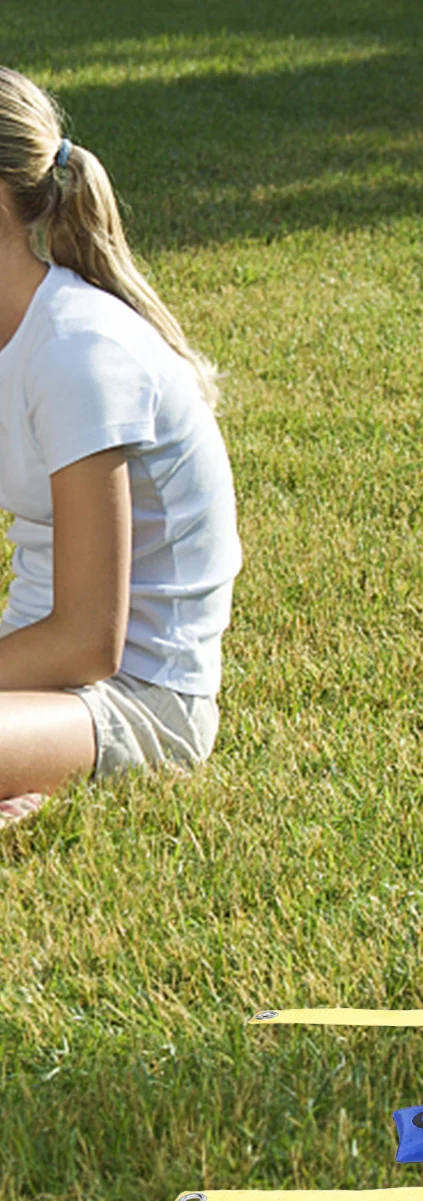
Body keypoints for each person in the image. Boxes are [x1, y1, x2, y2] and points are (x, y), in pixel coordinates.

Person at [0, 66, 240, 828]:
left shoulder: (76, 351)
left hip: (133, 698)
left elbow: (88, 641)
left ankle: (33, 770)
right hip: (30, 669)